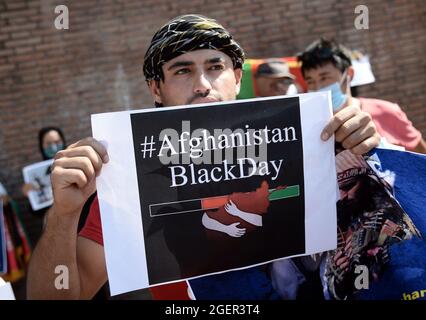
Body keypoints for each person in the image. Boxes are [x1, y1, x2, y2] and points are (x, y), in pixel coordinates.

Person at [27, 14, 380, 299]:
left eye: (215, 67)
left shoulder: (306, 144)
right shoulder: (129, 183)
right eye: (182, 70)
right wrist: (64, 213)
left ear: (237, 78)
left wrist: (367, 156)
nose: (202, 84)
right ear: (156, 89)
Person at [297, 38, 426, 154]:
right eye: (310, 81)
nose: (318, 87)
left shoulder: (386, 112)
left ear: (349, 74)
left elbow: (421, 158)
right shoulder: (306, 126)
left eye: (324, 78)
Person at [21, 127, 67, 203]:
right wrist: (31, 196)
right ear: (41, 146)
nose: (53, 147)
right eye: (48, 143)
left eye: (57, 142)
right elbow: (37, 211)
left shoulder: (75, 162)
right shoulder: (38, 172)